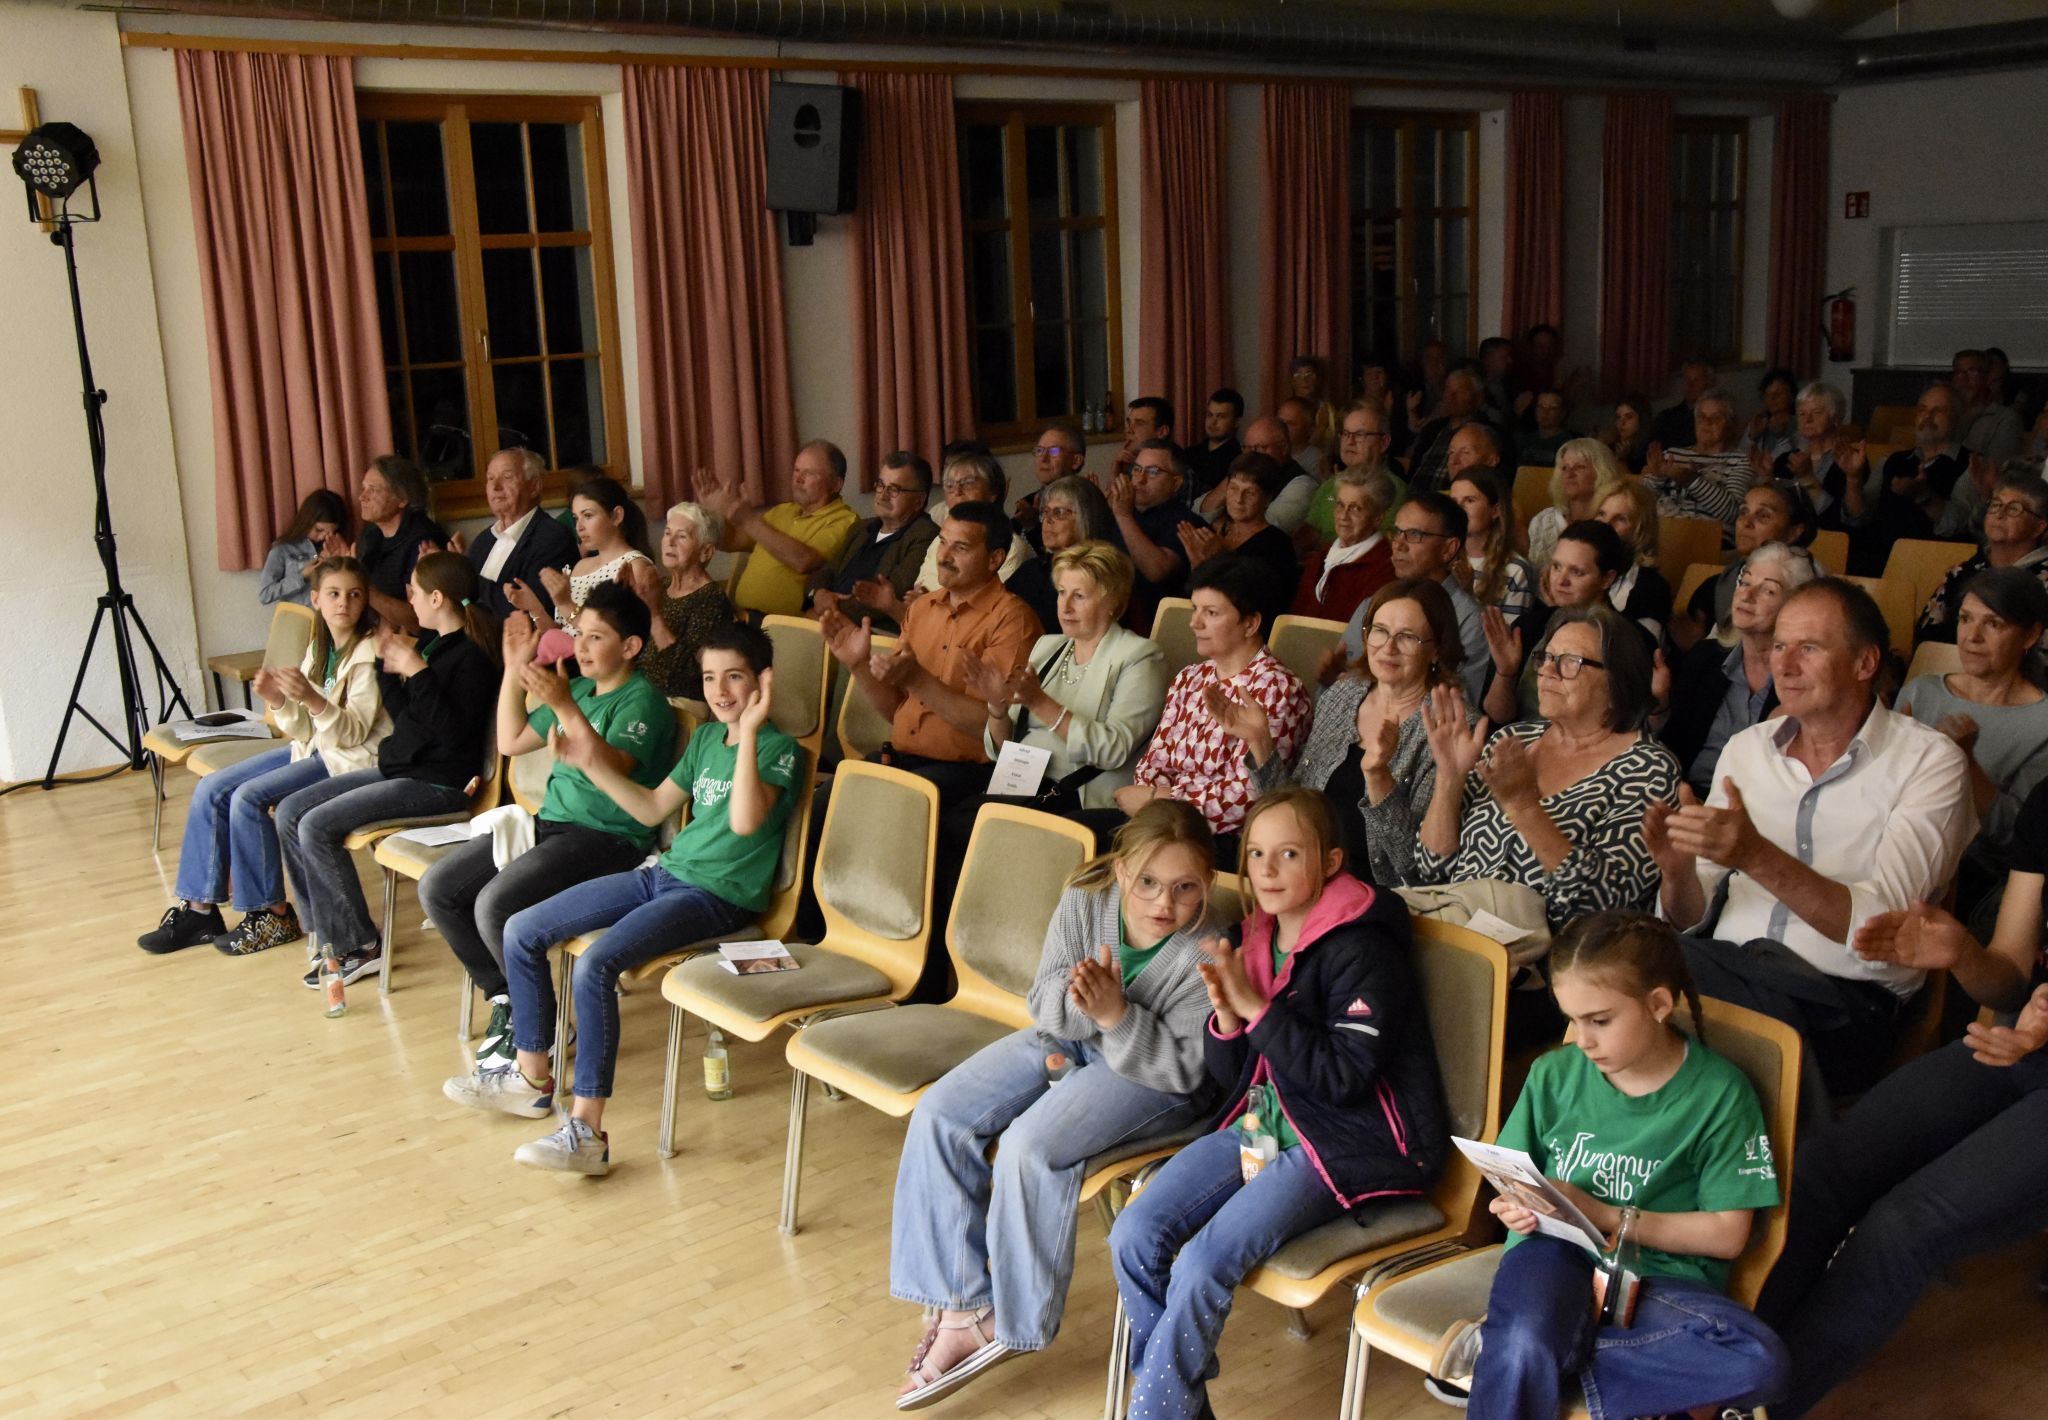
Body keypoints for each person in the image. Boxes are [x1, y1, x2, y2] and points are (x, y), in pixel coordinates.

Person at [1107, 788, 1447, 1420]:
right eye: (1256, 852)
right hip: (1267, 1124)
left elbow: (1344, 1079)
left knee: (1204, 1262)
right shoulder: (1252, 938)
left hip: (1351, 1139)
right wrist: (1228, 1020)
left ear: (1331, 862)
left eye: (1289, 854)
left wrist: (1258, 1010)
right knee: (1134, 1232)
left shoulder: (1363, 948)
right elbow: (1237, 1079)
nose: (1265, 869)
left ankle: (1155, 1409)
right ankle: (1177, 1402)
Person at [889, 803, 1219, 1410]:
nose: (1162, 903)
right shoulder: (1086, 895)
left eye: (1184, 888)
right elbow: (1044, 1002)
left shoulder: (1208, 949)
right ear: (1122, 872)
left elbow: (1185, 1069)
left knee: (1028, 1147)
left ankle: (1012, 1321)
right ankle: (961, 1305)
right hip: (1072, 1035)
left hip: (1152, 1077)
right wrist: (1086, 1006)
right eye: (1147, 882)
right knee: (940, 1112)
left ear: (1209, 885)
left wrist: (1115, 1015)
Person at [449, 622, 801, 1175]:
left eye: (735, 677)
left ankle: (587, 1131)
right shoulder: (708, 739)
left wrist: (753, 730)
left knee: (595, 963)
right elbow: (650, 809)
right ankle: (532, 1077)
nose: (720, 691)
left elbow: (744, 819)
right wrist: (590, 764)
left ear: (763, 681)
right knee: (521, 928)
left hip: (718, 897)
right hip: (665, 874)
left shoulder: (780, 750)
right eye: (710, 678)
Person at [1427, 911, 1788, 1419]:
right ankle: (1522, 1354)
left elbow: (1728, 1235)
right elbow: (1510, 1178)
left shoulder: (1721, 1094)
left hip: (1660, 1278)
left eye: (1600, 1020)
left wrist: (1603, 1214)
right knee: (1531, 1336)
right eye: (1571, 1019)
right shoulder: (1554, 1074)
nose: (1583, 1039)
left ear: (1659, 1004)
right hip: (1553, 1256)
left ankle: (1510, 1359)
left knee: (1759, 1362)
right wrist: (1515, 1206)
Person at [1644, 578, 1976, 1096]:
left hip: (1841, 1004)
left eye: (1809, 648)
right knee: (1615, 963)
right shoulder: (1746, 750)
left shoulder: (1929, 763)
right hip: (1726, 971)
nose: (1784, 664)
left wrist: (1754, 855)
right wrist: (1677, 872)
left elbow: (1882, 936)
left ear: (1865, 664)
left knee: (1631, 978)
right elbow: (1690, 915)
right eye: (1778, 645)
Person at [1753, 848, 2048, 1419]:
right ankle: (1722, 1374)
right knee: (1822, 1172)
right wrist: (1963, 953)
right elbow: (2009, 983)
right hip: (2022, 1044)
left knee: (1907, 1225)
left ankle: (1758, 1409)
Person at [420, 582, 677, 1069]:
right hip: (550, 827)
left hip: (606, 839)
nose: (581, 646)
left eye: (596, 638)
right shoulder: (577, 687)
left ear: (631, 647)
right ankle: (508, 1002)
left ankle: (550, 1031)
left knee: (495, 904)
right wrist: (514, 671)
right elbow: (512, 739)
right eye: (580, 634)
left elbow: (611, 767)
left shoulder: (642, 702)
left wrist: (563, 706)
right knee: (441, 888)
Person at [139, 557, 389, 956]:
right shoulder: (320, 647)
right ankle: (199, 910)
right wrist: (278, 699)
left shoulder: (369, 652)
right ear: (316, 600)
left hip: (349, 760)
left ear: (365, 602)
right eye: (334, 594)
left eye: (354, 595)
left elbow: (352, 733)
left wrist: (308, 698)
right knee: (213, 787)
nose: (344, 603)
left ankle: (270, 913)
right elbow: (303, 729)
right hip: (312, 750)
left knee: (248, 798)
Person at [276, 552, 500, 986]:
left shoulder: (470, 658)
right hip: (404, 770)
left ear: (437, 598)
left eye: (413, 591)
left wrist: (416, 671)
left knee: (317, 826)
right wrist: (384, 667)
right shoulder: (436, 647)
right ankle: (327, 936)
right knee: (290, 812)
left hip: (439, 784)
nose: (407, 600)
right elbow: (410, 719)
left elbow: (452, 736)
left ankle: (359, 945)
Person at [1417, 606, 1680, 935]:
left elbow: (1605, 906)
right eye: (1546, 657)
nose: (1547, 671)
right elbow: (1431, 869)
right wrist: (1449, 779)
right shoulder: (1514, 740)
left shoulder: (1648, 768)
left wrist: (1524, 806)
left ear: (1616, 682)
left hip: (1553, 962)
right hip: (1456, 930)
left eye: (1571, 661)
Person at [1243, 578, 1467, 886]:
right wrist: (1260, 742)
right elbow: (1293, 808)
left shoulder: (1449, 725)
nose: (1387, 647)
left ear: (1437, 650)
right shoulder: (1344, 694)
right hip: (1301, 875)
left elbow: (1417, 870)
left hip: (1376, 893)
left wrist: (1379, 779)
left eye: (1407, 637)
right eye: (1379, 630)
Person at [822, 502, 1041, 810]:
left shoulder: (1012, 620)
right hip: (906, 760)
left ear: (995, 559)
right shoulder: (922, 609)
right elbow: (896, 712)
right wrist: (858, 665)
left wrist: (918, 680)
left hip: (969, 773)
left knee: (878, 810)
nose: (944, 556)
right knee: (823, 806)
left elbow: (991, 728)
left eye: (960, 547)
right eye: (942, 542)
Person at [1112, 556, 1307, 859]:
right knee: (1072, 834)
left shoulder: (1278, 689)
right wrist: (1154, 803)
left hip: (1222, 839)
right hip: (1160, 823)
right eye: (1195, 609)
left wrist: (1158, 800)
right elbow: (1154, 763)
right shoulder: (1190, 677)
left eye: (1211, 612)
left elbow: (1246, 797)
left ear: (1251, 623)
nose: (1194, 622)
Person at [965, 542, 1166, 817]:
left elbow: (1113, 750)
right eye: (1061, 593)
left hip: (1079, 797)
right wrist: (997, 707)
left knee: (967, 824)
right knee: (950, 814)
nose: (1066, 607)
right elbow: (1002, 750)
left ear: (1112, 602)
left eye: (1079, 596)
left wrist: (1040, 703)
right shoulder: (1048, 646)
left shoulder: (1139, 657)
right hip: (1021, 788)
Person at [1895, 568, 2048, 924]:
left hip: (1971, 875)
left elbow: (2016, 841)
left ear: (2031, 635)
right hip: (1897, 844)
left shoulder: (2042, 723)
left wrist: (1965, 762)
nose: (1972, 637)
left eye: (1993, 624)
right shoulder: (1922, 690)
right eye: (1965, 619)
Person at [1658, 542, 1819, 799]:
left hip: (1760, 811)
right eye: (1744, 583)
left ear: (1795, 605)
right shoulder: (1705, 657)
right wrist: (1660, 705)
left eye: (1767, 590)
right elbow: (1670, 749)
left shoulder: (1804, 680)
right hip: (1685, 797)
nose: (1747, 595)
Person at [1336, 492, 1490, 704]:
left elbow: (1460, 704)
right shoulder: (1374, 605)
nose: (1399, 544)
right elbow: (1340, 681)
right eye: (1397, 532)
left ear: (1448, 549)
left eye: (1414, 534)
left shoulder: (1470, 620)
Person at [1484, 519, 1641, 725]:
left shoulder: (1630, 640)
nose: (1560, 580)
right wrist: (1506, 673)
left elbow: (1625, 724)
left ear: (1607, 579)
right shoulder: (1530, 625)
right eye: (1557, 567)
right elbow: (1497, 717)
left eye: (1577, 572)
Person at [703, 441, 859, 619]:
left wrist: (748, 520)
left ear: (835, 484)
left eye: (809, 473)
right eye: (796, 470)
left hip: (784, 628)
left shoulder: (845, 521)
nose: (798, 479)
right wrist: (711, 515)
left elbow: (804, 561)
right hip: (742, 617)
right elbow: (733, 541)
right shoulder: (782, 511)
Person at [502, 473, 655, 635]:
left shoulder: (635, 566)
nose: (579, 527)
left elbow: (611, 635)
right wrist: (535, 608)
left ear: (616, 516)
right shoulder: (581, 566)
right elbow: (564, 632)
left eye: (588, 515)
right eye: (576, 518)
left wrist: (565, 603)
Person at [809, 450, 938, 635]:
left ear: (918, 501)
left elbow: (888, 595)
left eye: (894, 489)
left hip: (871, 632)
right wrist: (818, 594)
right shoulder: (862, 527)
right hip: (827, 619)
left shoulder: (925, 535)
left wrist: (827, 611)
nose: (883, 495)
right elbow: (826, 570)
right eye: (880, 485)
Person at [1914, 472, 2048, 650]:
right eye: (1995, 505)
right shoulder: (1962, 572)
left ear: (2039, 527)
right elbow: (1925, 639)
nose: (1999, 514)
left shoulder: (2043, 584)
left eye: (2014, 509)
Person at [625, 501, 736, 698]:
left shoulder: (711, 600)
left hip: (674, 700)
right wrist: (625, 601)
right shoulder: (662, 585)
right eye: (667, 533)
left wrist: (653, 613)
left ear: (706, 552)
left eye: (682, 536)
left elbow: (685, 675)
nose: (670, 541)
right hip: (638, 688)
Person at [1684, 481, 1817, 639]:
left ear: (1794, 532)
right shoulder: (1714, 588)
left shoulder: (1807, 591)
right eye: (1744, 512)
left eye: (1763, 516)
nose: (1746, 523)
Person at [463, 447, 579, 621]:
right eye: (490, 478)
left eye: (507, 477)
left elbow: (526, 610)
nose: (495, 487)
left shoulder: (552, 538)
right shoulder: (483, 541)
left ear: (534, 486)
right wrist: (451, 569)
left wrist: (466, 581)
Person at [1106, 439, 1205, 635]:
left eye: (1152, 472)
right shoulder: (1121, 509)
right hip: (1111, 623)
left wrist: (1123, 516)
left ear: (1176, 483)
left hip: (1160, 631)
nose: (1140, 479)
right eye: (1136, 469)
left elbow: (1156, 571)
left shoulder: (1185, 521)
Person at [353, 455, 447, 634]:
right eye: (364, 488)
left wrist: (363, 588)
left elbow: (417, 621)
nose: (362, 497)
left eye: (373, 489)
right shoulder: (371, 534)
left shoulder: (422, 541)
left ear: (402, 499)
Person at [1288, 467, 1396, 622]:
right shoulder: (1323, 556)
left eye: (1355, 508)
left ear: (1378, 517)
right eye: (1340, 505)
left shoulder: (1385, 566)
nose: (1343, 516)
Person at [1010, 474, 1115, 629]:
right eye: (1045, 512)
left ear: (1086, 518)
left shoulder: (1101, 573)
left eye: (1059, 513)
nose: (1048, 520)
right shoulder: (1030, 570)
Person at [1179, 452, 1299, 586]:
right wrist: (1196, 563)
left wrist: (1219, 559)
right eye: (1233, 488)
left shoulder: (1277, 545)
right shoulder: (1218, 530)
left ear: (1267, 499)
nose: (1238, 499)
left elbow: (1259, 596)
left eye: (1249, 492)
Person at [1302, 399, 1406, 548]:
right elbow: (1309, 532)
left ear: (1383, 442)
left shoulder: (1392, 489)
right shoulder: (1329, 485)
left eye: (1360, 434)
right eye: (1345, 433)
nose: (1349, 442)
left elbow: (1380, 545)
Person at [1643, 389, 1745, 540]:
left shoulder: (1740, 461)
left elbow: (1733, 514)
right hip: (1662, 534)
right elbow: (1642, 503)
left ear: (1730, 424)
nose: (1707, 422)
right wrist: (1657, 477)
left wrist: (1692, 480)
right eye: (1701, 417)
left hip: (1710, 541)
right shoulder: (1673, 454)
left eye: (1716, 417)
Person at [1525, 438, 1628, 572]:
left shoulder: (1611, 523)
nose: (1569, 474)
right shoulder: (1543, 520)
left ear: (1602, 473)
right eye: (1564, 468)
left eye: (1580, 467)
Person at [1449, 466, 1535, 621]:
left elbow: (1506, 640)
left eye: (1469, 500)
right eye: (1454, 501)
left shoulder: (1515, 570)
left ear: (1495, 511)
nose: (1458, 509)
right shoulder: (1443, 558)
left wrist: (1468, 594)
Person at [1595, 478, 1674, 645]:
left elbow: (1642, 652)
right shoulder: (1577, 567)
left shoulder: (1652, 588)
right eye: (1601, 514)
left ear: (1640, 529)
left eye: (1620, 519)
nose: (1606, 525)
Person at [258, 489, 350, 607]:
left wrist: (340, 563)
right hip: (295, 620)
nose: (323, 537)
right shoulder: (283, 549)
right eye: (319, 530)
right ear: (307, 520)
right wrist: (302, 576)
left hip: (328, 619)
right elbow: (265, 594)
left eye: (330, 532)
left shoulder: (335, 547)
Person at [1408, 368, 1485, 494]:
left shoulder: (1486, 433)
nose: (1452, 396)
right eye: (1448, 389)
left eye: (1460, 390)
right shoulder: (1433, 429)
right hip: (1414, 500)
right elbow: (1413, 470)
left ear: (1477, 396)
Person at [1014, 423, 1089, 546]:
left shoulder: (1084, 503)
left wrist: (1033, 528)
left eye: (1054, 451)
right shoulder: (1028, 503)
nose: (1043, 458)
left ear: (1076, 461)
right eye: (1039, 450)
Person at [1184, 388, 1243, 505]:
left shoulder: (1239, 460)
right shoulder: (1189, 453)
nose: (1213, 422)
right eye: (1210, 415)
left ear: (1236, 422)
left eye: (1221, 416)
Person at [1652, 358, 1715, 452]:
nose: (1690, 385)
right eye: (1686, 379)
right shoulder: (1666, 418)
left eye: (1696, 380)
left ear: (1707, 383)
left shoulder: (1714, 420)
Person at [1112, 396, 1176, 480]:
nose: (1128, 430)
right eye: (1129, 423)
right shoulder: (1129, 463)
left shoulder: (1170, 470)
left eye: (1139, 423)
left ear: (1162, 432)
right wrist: (1115, 472)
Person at [1742, 368, 1799, 462]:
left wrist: (1781, 436)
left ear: (1791, 395)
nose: (1772, 398)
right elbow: (1740, 458)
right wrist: (1751, 437)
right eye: (1767, 395)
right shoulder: (1759, 423)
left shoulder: (1801, 423)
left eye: (1778, 393)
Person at [1286, 355, 1338, 456]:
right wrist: (1321, 428)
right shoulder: (1288, 411)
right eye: (1298, 376)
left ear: (1318, 379)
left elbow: (1333, 444)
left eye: (1309, 375)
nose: (1304, 380)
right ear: (1292, 382)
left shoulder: (1327, 409)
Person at [1600, 393, 1656, 475]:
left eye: (1629, 417)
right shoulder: (1611, 444)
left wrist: (1622, 460)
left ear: (1642, 419)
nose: (1621, 422)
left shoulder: (1649, 449)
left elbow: (1639, 485)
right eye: (1618, 417)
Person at [1517, 390, 1572, 468]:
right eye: (1541, 406)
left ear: (1562, 413)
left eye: (1553, 408)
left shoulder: (1567, 443)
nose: (1545, 412)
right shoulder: (1526, 440)